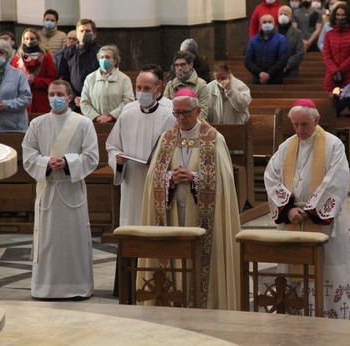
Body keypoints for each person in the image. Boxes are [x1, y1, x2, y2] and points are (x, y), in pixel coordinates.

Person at [137, 89, 241, 310]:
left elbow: (224, 181)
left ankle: (206, 305)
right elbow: (152, 179)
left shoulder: (213, 139)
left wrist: (194, 178)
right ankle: (171, 302)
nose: (181, 119)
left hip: (201, 217)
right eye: (177, 113)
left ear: (198, 111)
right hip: (172, 212)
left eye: (186, 113)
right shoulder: (167, 138)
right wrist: (169, 178)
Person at [264, 99, 350, 319]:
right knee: (293, 272)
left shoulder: (333, 145)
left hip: (322, 222)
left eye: (304, 124)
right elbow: (271, 177)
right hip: (292, 219)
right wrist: (288, 209)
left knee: (327, 269)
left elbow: (337, 180)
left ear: (317, 120)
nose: (299, 130)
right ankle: (295, 315)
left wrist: (311, 210)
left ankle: (327, 317)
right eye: (295, 125)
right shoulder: (286, 146)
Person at [22, 79, 99, 299]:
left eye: (59, 94)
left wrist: (67, 162)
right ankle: (45, 287)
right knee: (48, 242)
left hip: (71, 189)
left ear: (68, 98)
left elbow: (92, 157)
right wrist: (46, 163)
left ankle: (77, 286)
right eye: (51, 94)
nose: (55, 98)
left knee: (73, 241)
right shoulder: (37, 124)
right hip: (48, 189)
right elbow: (28, 154)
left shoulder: (83, 123)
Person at [106, 71, 176, 228]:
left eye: (147, 88)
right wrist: (118, 158)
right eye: (139, 87)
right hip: (131, 180)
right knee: (132, 221)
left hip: (156, 180)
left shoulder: (169, 117)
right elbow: (112, 145)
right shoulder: (126, 115)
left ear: (158, 89)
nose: (142, 92)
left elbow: (175, 150)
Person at [80, 45, 134, 123]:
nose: (104, 60)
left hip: (118, 122)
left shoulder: (124, 79)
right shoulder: (90, 78)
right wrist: (97, 117)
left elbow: (128, 101)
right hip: (96, 123)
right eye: (102, 57)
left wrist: (112, 116)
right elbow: (84, 102)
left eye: (108, 57)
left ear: (115, 61)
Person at [58, 18, 101, 112]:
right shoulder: (68, 52)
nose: (84, 33)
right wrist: (73, 97)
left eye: (88, 31)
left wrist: (87, 99)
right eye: (81, 31)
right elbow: (63, 77)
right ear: (77, 34)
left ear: (94, 34)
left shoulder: (100, 53)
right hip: (73, 103)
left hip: (95, 102)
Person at [11, 28, 57, 114]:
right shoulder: (17, 58)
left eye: (32, 39)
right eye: (26, 39)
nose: (29, 41)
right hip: (22, 100)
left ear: (38, 40)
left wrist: (35, 81)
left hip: (41, 100)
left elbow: (53, 80)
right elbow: (12, 79)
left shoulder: (46, 57)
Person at [0, 39, 32, 132]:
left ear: (8, 55)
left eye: (2, 52)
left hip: (14, 128)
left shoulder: (18, 74)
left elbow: (26, 98)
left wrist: (5, 105)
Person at [322, 3, 350, 91]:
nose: (340, 17)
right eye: (338, 15)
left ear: (348, 16)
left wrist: (340, 70)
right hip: (332, 74)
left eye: (343, 15)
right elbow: (326, 55)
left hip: (349, 73)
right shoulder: (329, 34)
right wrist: (335, 71)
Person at [163, 50, 209, 119]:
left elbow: (203, 111)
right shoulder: (170, 84)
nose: (179, 68)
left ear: (191, 65)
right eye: (176, 65)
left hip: (194, 126)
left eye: (182, 65)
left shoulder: (201, 84)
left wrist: (188, 123)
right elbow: (165, 108)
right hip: (174, 124)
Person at [244, 14, 289, 85]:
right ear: (260, 24)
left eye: (269, 22)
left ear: (274, 23)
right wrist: (260, 73)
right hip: (258, 80)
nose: (267, 24)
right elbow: (248, 61)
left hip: (276, 81)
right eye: (264, 22)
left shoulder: (281, 39)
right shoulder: (253, 40)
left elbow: (283, 60)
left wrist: (269, 74)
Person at [277, 5, 305, 78]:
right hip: (274, 71)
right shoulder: (272, 32)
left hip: (291, 72)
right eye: (280, 14)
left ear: (291, 17)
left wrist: (286, 65)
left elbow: (300, 53)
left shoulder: (297, 33)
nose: (282, 16)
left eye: (285, 14)